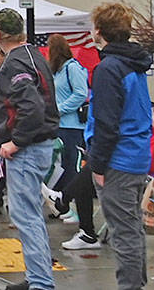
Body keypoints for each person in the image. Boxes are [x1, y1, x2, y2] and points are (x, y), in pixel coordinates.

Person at [0, 8, 59, 290]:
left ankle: (41, 282)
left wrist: (15, 142)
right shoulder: (34, 57)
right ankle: (36, 277)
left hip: (27, 148)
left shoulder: (15, 63)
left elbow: (31, 106)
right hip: (39, 143)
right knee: (29, 215)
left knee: (26, 216)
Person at [84, 2, 152, 290]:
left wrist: (98, 164)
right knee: (132, 227)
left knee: (123, 233)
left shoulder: (109, 68)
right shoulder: (133, 64)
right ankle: (137, 282)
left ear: (99, 31)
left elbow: (107, 122)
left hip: (118, 159)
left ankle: (130, 286)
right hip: (136, 154)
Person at [47, 33, 90, 209]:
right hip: (59, 125)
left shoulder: (72, 68)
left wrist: (60, 109)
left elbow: (81, 93)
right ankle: (60, 201)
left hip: (72, 126)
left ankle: (68, 202)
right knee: (62, 165)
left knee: (71, 166)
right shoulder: (57, 71)